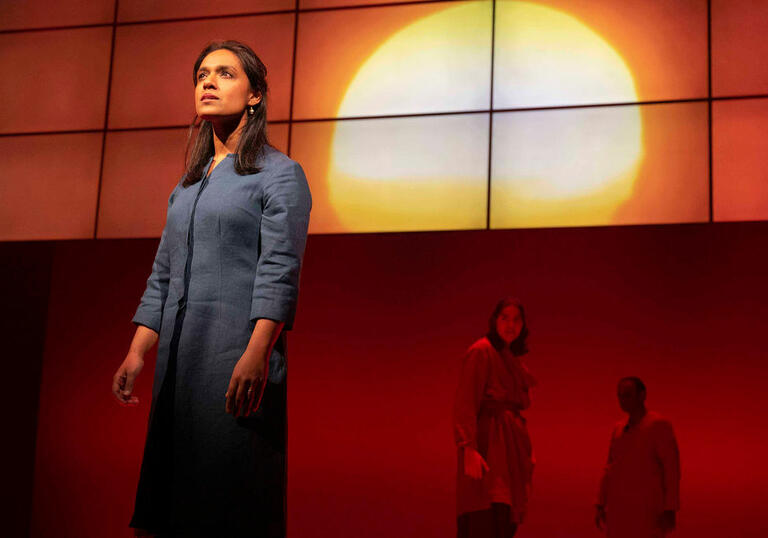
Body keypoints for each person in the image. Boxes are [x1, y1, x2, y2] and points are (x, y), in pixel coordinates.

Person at [110, 40, 311, 538]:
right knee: (171, 499)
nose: (207, 81)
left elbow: (280, 268)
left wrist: (258, 352)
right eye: (202, 73)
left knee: (229, 496)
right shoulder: (188, 184)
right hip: (181, 359)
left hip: (235, 354)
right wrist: (137, 352)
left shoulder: (279, 174)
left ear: (254, 95)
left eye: (224, 73)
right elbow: (164, 271)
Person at [454, 297, 536, 538]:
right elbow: (465, 401)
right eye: (505, 318)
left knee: (505, 513)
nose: (511, 325)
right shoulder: (481, 351)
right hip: (489, 443)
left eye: (516, 320)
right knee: (484, 507)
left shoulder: (510, 358)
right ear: (494, 321)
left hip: (510, 446)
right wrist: (468, 447)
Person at [595, 377, 681, 538]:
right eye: (620, 396)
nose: (622, 400)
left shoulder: (658, 425)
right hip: (619, 507)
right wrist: (600, 502)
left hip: (647, 509)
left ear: (642, 395)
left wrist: (671, 507)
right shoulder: (618, 429)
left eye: (627, 395)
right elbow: (610, 467)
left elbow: (671, 469)